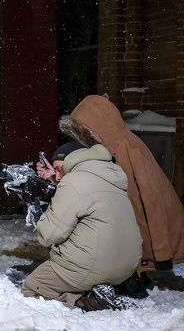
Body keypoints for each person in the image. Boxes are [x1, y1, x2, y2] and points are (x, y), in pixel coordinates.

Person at [59, 95, 184, 289]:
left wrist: (162, 258)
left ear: (99, 125)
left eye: (86, 131)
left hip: (145, 227)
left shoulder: (130, 149)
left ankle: (148, 272)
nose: (85, 137)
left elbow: (153, 201)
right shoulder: (106, 150)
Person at [22, 141, 142, 311]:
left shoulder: (73, 182)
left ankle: (88, 300)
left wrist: (40, 217)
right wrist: (59, 181)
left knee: (32, 287)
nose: (56, 176)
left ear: (72, 160)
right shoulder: (109, 175)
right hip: (127, 267)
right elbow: (86, 197)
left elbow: (50, 235)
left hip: (93, 266)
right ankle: (100, 290)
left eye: (58, 169)